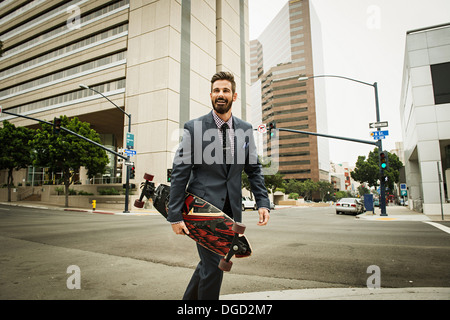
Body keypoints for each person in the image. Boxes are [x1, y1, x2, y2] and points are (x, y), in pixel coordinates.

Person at [167, 71, 270, 300]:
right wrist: (174, 214)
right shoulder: (194, 128)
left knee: (209, 264)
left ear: (234, 96)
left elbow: (253, 169)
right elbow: (180, 172)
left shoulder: (244, 129)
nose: (220, 94)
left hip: (231, 212)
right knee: (215, 265)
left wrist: (262, 202)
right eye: (216, 90)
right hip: (201, 210)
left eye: (225, 90)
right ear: (210, 95)